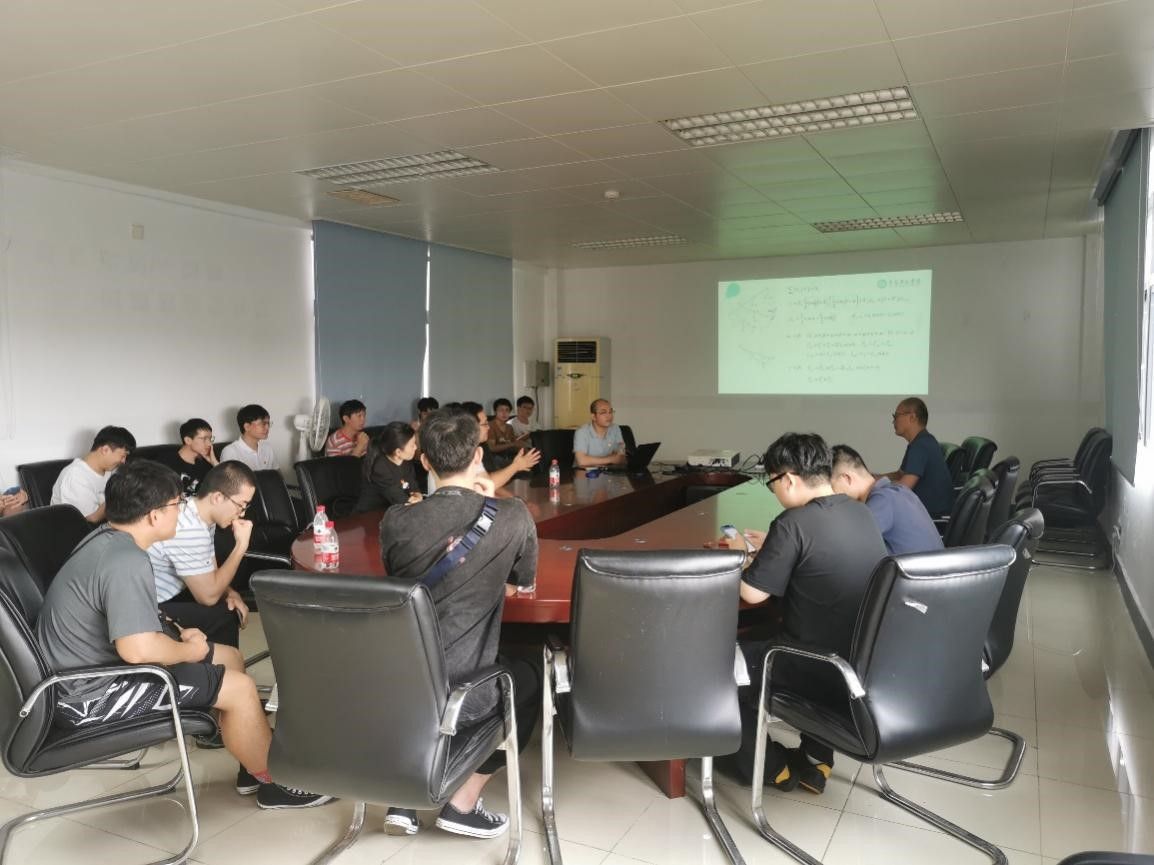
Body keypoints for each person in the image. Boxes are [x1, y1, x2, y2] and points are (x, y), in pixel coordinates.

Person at [36, 459, 330, 810]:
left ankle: (252, 764)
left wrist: (179, 635)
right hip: (88, 696)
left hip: (91, 672)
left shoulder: (108, 541)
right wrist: (189, 651)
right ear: (153, 515)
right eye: (177, 504)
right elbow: (137, 650)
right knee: (239, 688)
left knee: (230, 658)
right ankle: (277, 784)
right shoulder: (125, 561)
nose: (182, 510)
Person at [378, 409, 539, 839]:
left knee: (427, 688)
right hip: (467, 689)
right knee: (528, 677)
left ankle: (405, 799)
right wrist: (493, 498)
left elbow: (403, 585)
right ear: (478, 456)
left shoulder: (396, 519)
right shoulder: (513, 515)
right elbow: (523, 582)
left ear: (424, 461)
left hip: (400, 682)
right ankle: (462, 803)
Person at [728, 433, 885, 795]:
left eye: (771, 483)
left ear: (788, 479)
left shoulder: (792, 523)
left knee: (719, 667)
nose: (775, 492)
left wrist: (736, 557)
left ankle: (772, 769)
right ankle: (817, 761)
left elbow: (752, 593)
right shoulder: (860, 511)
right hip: (861, 662)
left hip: (810, 664)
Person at [147, 461, 257, 651]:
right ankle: (222, 666)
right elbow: (208, 597)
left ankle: (220, 662)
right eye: (241, 506)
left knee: (227, 604)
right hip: (149, 606)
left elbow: (210, 572)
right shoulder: (190, 530)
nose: (242, 514)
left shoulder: (198, 513)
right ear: (217, 497)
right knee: (224, 615)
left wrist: (231, 593)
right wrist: (241, 546)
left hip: (168, 593)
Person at [830, 444, 944, 555]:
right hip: (933, 565)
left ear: (846, 478)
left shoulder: (882, 500)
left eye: (832, 487)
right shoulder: (896, 491)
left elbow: (848, 545)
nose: (833, 495)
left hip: (917, 567)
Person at [50, 426, 136, 523]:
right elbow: (92, 518)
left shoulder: (110, 470)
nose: (124, 461)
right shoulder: (76, 475)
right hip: (79, 530)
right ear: (105, 450)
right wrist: (120, 495)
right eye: (123, 456)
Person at [885, 397, 954, 518]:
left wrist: (877, 487)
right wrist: (873, 478)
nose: (893, 422)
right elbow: (900, 474)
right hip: (924, 512)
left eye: (896, 416)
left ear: (912, 417)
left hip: (931, 517)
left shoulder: (921, 446)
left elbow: (903, 489)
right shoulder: (922, 441)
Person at [458, 402, 540, 489]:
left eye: (507, 410)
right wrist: (516, 465)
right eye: (485, 424)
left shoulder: (478, 448)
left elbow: (487, 480)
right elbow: (487, 484)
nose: (488, 427)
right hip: (497, 457)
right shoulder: (463, 453)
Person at [355, 421, 423, 512]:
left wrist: (418, 494)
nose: (415, 447)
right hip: (370, 513)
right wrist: (415, 500)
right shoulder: (380, 468)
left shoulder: (406, 461)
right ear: (398, 452)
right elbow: (398, 498)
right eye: (412, 445)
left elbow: (413, 484)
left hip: (394, 510)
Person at [154, 418, 219, 495]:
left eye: (210, 439)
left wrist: (215, 463)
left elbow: (228, 486)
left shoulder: (208, 462)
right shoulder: (165, 461)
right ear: (188, 440)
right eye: (204, 439)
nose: (209, 444)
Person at [220, 404, 278, 472]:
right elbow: (229, 478)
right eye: (263, 424)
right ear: (247, 427)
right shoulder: (230, 452)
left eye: (268, 423)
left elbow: (278, 475)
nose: (267, 427)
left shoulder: (268, 448)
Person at [573, 399, 627, 469]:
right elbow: (582, 461)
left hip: (608, 470)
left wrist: (618, 456)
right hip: (584, 472)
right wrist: (611, 459)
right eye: (603, 412)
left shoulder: (615, 428)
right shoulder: (582, 432)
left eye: (610, 412)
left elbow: (621, 456)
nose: (609, 416)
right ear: (593, 417)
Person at [487, 398, 530, 467]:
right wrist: (511, 444)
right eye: (501, 410)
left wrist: (524, 448)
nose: (504, 413)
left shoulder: (509, 427)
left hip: (508, 455)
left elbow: (514, 443)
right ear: (495, 412)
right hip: (495, 458)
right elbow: (492, 448)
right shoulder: (490, 426)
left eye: (507, 410)